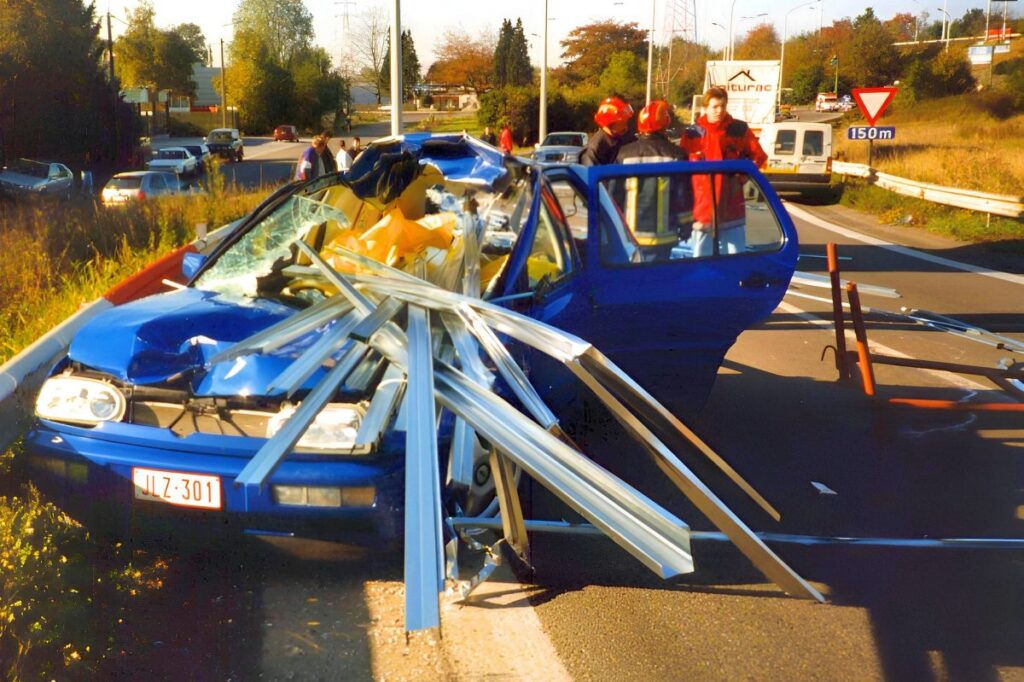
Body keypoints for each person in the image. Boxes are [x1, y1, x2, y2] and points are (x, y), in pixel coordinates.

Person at [679, 86, 767, 256]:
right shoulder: (692, 133)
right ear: (705, 108)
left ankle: (733, 283)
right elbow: (682, 167)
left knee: (735, 255)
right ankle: (702, 283)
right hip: (702, 205)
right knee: (700, 257)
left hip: (731, 203)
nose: (720, 111)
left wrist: (740, 179)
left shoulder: (738, 129)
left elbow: (759, 157)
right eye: (715, 107)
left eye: (723, 106)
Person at [614, 100, 690, 260]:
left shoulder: (624, 154)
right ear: (664, 126)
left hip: (630, 235)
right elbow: (682, 196)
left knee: (633, 281)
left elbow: (614, 194)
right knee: (657, 281)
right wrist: (685, 226)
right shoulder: (676, 154)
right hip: (663, 238)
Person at [579, 96, 636, 166]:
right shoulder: (593, 150)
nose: (626, 126)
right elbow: (592, 175)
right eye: (622, 123)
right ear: (609, 123)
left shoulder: (627, 139)